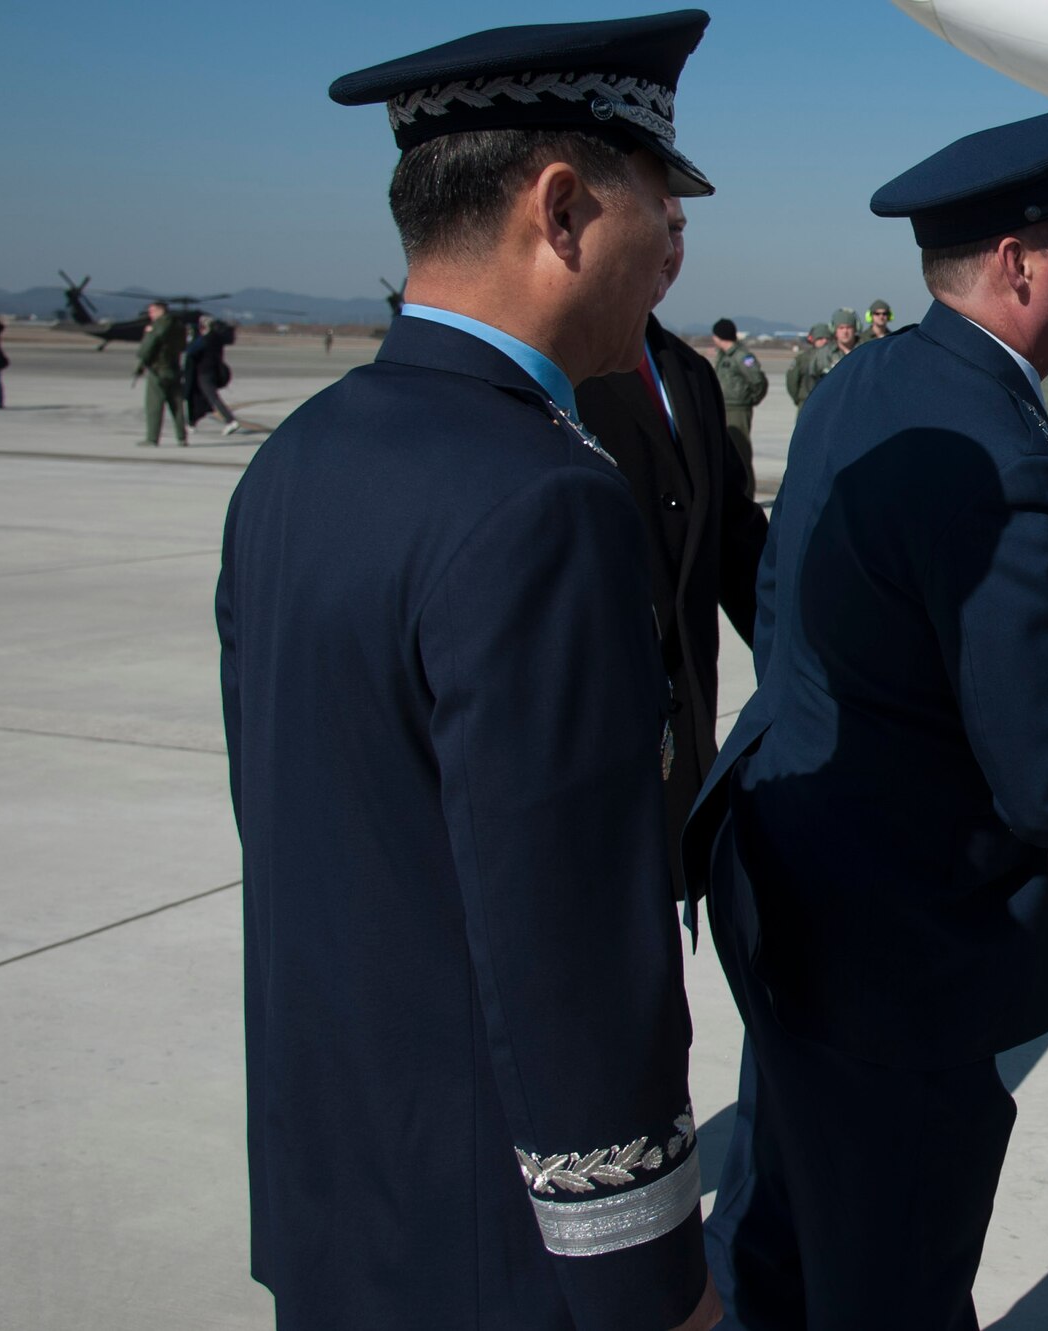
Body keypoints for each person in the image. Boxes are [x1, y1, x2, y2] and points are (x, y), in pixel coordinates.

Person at [217, 15, 725, 1330]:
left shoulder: (299, 459)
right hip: (505, 1248)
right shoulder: (541, 496)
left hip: (345, 1196)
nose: (667, 248)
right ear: (561, 208)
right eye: (656, 204)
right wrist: (645, 1268)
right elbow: (567, 936)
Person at [684, 97, 1048, 1330]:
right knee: (894, 1263)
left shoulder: (872, 375)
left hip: (791, 866)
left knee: (779, 1224)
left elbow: (786, 612)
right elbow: (1041, 770)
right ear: (1020, 261)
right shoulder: (1008, 463)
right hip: (900, 932)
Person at [578, 207, 768, 899]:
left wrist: (815, 651)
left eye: (681, 231)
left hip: (681, 744)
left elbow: (734, 538)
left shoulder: (687, 372)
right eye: (658, 225)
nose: (669, 248)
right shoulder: (554, 376)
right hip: (594, 753)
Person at [708, 316, 769, 495]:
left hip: (738, 409)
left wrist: (750, 400)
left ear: (719, 336)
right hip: (724, 407)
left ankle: (747, 493)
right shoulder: (723, 356)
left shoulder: (741, 356)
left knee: (741, 451)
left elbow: (758, 380)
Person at [133, 300, 188, 446]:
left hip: (158, 370)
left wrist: (140, 365)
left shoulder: (158, 326)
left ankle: (152, 438)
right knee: (177, 406)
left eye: (151, 311)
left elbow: (148, 347)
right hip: (174, 368)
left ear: (159, 310)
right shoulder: (179, 326)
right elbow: (183, 346)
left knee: (154, 405)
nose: (150, 314)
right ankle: (181, 437)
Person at [184, 315, 244, 436]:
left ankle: (230, 420)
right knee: (199, 397)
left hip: (204, 372)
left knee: (212, 397)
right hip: (213, 371)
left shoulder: (206, 339)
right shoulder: (217, 338)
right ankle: (192, 423)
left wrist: (192, 338)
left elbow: (191, 350)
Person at [784, 322, 830, 406]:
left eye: (827, 338)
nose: (825, 341)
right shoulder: (803, 358)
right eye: (820, 338)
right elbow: (792, 381)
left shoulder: (833, 357)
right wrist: (799, 399)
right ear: (813, 339)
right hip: (806, 401)